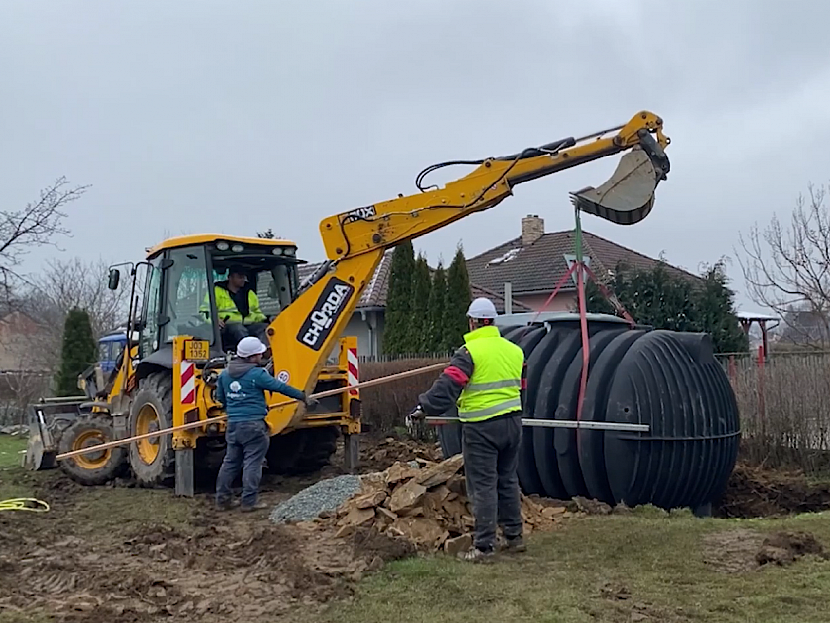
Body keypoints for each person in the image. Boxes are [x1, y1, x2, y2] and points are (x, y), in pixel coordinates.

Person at [409, 297, 526, 562]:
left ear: (472, 322)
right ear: (492, 321)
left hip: (482, 427)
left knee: (483, 486)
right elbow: (522, 387)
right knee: (507, 480)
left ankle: (484, 547)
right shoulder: (514, 350)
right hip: (512, 424)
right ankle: (514, 537)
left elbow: (448, 386)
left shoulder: (469, 353)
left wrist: (423, 407)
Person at [215, 336, 318, 512]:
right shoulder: (257, 374)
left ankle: (222, 500)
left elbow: (220, 398)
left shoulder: (224, 374)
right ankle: (248, 503)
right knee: (252, 463)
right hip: (254, 426)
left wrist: (234, 407)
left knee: (230, 463)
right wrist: (303, 397)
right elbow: (280, 387)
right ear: (253, 356)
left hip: (233, 425)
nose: (261, 356)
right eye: (259, 354)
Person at [212, 266, 268, 351]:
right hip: (227, 326)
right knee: (238, 329)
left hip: (247, 324)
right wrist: (215, 320)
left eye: (244, 277)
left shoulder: (249, 293)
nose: (243, 279)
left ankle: (265, 352)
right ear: (230, 278)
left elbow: (256, 312)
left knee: (264, 328)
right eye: (239, 277)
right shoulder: (217, 291)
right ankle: (248, 352)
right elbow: (206, 311)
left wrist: (268, 319)